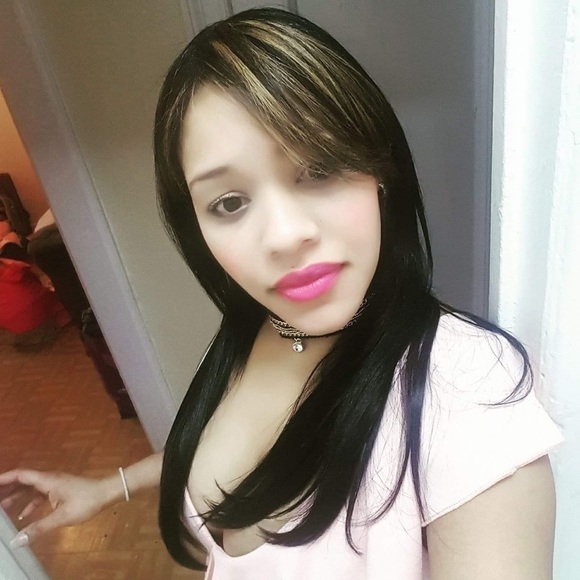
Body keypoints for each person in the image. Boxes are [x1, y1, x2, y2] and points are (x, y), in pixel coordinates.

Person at [0, 8, 563, 579]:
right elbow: (225, 454)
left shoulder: (466, 390)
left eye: (319, 169)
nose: (285, 236)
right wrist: (109, 486)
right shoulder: (264, 327)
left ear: (380, 171)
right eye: (230, 203)